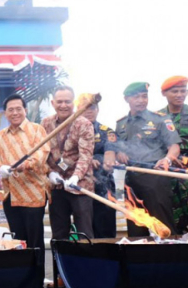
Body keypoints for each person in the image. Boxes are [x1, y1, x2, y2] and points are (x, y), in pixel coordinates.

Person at [108, 82, 180, 236]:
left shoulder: (160, 120)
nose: (141, 100)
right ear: (127, 99)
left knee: (163, 223)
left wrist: (167, 159)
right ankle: (138, 257)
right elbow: (117, 147)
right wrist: (120, 153)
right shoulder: (121, 124)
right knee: (136, 226)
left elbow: (174, 146)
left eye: (144, 96)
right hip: (131, 179)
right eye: (136, 97)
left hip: (155, 176)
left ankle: (170, 255)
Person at [0, 94, 50, 261]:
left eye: (18, 109)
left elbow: (41, 154)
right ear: (5, 113)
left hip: (33, 194)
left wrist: (23, 165)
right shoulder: (1, 135)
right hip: (10, 195)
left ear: (25, 110)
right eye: (11, 110)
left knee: (35, 241)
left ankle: (37, 283)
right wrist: (1, 167)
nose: (15, 113)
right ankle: (23, 283)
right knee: (18, 242)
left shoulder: (37, 130)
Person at [41, 86, 95, 241]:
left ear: (74, 102)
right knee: (59, 234)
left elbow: (86, 155)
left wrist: (76, 177)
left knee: (84, 234)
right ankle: (60, 265)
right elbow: (43, 154)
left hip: (80, 186)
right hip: (57, 185)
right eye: (59, 101)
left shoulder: (84, 124)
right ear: (53, 103)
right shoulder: (45, 123)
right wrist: (50, 172)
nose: (63, 105)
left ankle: (85, 264)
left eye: (67, 101)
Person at [76, 94, 117, 238]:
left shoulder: (107, 131)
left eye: (92, 107)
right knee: (85, 232)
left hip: (103, 188)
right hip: (80, 188)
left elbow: (110, 151)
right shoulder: (71, 131)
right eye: (85, 108)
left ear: (98, 109)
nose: (89, 111)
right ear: (78, 109)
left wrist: (108, 161)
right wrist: (88, 161)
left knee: (105, 229)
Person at [157, 75, 188, 233]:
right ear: (164, 94)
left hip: (186, 174)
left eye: (183, 91)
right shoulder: (157, 118)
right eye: (175, 91)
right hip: (168, 177)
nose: (180, 95)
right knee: (173, 224)